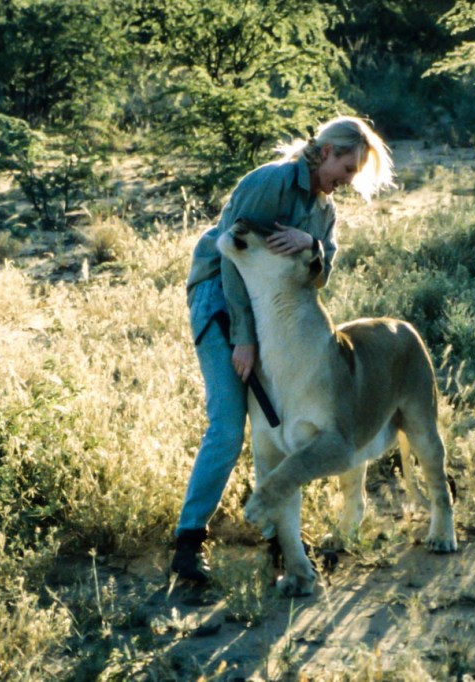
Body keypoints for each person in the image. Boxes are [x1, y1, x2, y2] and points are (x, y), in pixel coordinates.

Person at [172, 116, 395, 582]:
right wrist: (243, 338)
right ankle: (188, 542)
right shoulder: (270, 182)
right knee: (231, 424)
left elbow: (321, 273)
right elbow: (229, 254)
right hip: (222, 298)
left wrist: (310, 242)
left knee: (271, 424)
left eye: (354, 172)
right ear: (325, 151)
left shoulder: (324, 211)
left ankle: (279, 539)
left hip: (277, 315)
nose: (347, 180)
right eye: (347, 168)